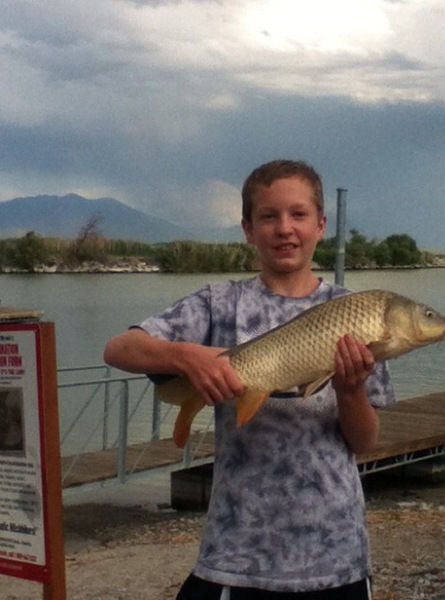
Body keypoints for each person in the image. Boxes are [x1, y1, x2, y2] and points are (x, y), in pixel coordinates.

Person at [103, 159, 396, 599]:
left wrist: (350, 389)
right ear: (248, 229)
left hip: (337, 555)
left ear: (320, 225)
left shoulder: (356, 314)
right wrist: (188, 356)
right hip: (237, 556)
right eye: (269, 216)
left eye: (298, 214)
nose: (285, 228)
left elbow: (365, 441)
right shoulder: (220, 304)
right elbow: (119, 349)